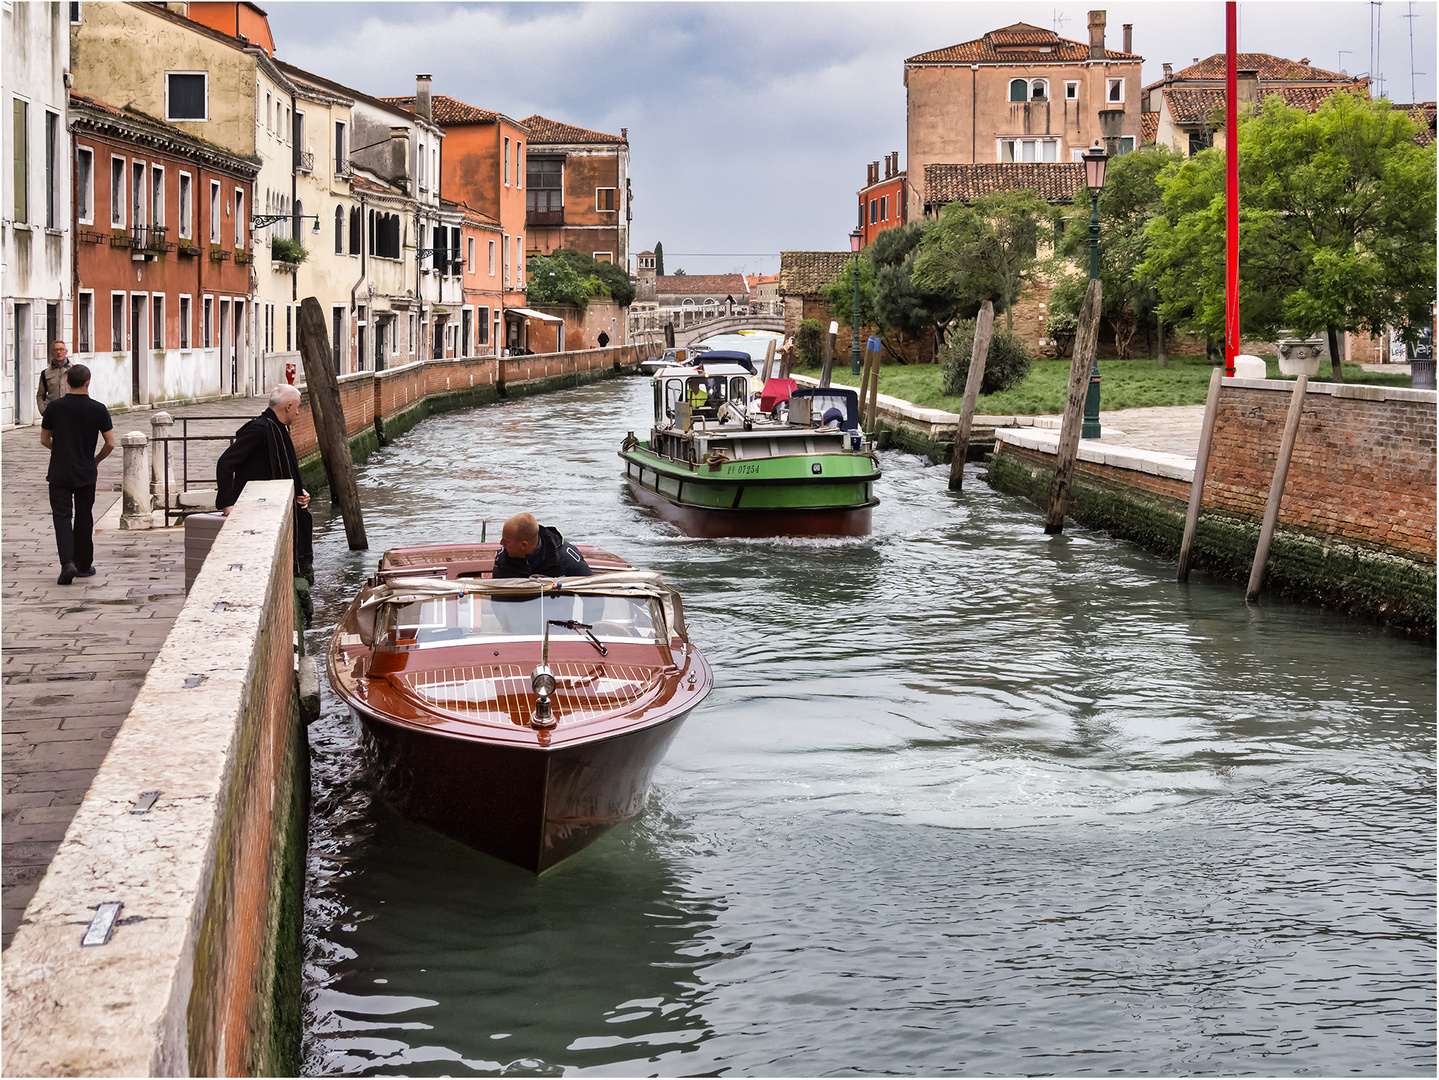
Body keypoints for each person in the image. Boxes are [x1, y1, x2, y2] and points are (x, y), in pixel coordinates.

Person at [215, 385, 313, 576]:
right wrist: (227, 504)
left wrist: (299, 491)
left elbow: (286, 467)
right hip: (259, 508)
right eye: (297, 407)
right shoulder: (259, 430)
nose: (298, 413)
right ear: (288, 406)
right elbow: (225, 463)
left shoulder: (279, 429)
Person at [41, 364, 114, 584]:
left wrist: (61, 450)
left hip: (59, 471)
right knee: (84, 516)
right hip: (86, 471)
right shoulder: (98, 409)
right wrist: (96, 460)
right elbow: (110, 443)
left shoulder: (54, 408)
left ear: (67, 382)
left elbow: (44, 440)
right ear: (88, 382)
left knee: (62, 517)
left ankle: (67, 563)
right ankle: (83, 564)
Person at [492, 513, 591, 578]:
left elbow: (592, 594)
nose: (501, 543)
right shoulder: (502, 559)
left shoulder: (568, 559)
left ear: (523, 545)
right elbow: (497, 599)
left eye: (506, 541)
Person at [36, 340, 72, 421]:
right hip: (53, 414)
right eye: (56, 350)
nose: (59, 352)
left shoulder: (75, 371)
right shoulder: (45, 373)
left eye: (61, 349)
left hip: (71, 413)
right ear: (52, 352)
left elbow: (84, 391)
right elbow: (40, 395)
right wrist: (43, 411)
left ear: (66, 351)